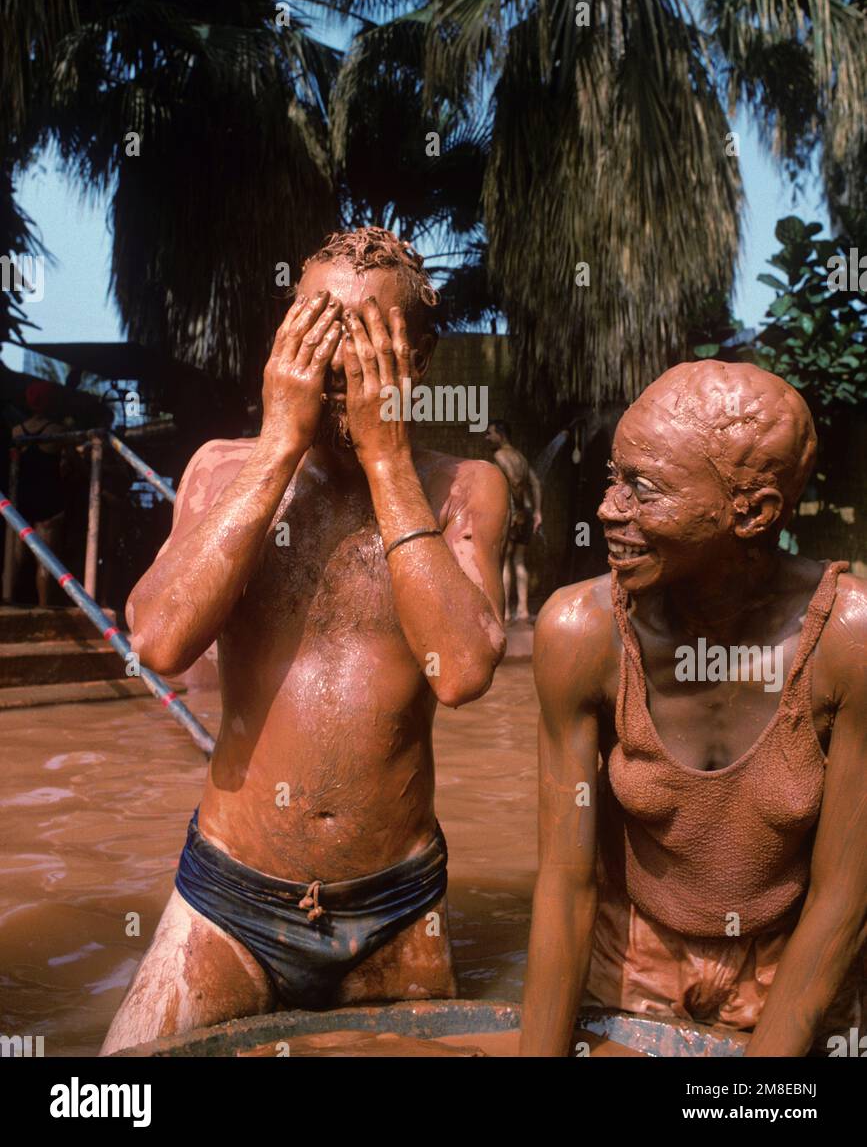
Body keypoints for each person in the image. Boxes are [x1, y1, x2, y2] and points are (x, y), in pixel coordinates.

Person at [101, 227, 509, 1053]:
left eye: (358, 342)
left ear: (416, 360)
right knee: (117, 1088)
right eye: (312, 330)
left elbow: (462, 671)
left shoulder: (465, 487)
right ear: (282, 341)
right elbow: (160, 643)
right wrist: (279, 443)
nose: (330, 364)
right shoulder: (221, 468)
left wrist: (388, 457)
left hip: (393, 905)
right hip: (229, 898)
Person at [520, 360, 867, 1057]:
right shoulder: (580, 633)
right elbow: (564, 884)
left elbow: (843, 900)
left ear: (753, 513)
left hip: (789, 970)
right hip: (630, 969)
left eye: (641, 490)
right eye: (613, 478)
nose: (607, 509)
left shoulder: (845, 641)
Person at [11, 381, 68, 606]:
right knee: (45, 560)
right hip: (49, 501)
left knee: (16, 557)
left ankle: (9, 600)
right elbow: (70, 465)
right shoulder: (58, 432)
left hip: (22, 501)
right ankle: (44, 607)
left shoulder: (17, 432)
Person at [484, 420, 542, 622]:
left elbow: (515, 482)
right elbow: (534, 482)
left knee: (506, 561)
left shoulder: (500, 456)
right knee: (519, 560)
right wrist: (537, 512)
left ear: (501, 434)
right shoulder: (521, 457)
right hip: (526, 511)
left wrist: (515, 511)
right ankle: (524, 610)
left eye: (490, 433)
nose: (487, 437)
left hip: (514, 513)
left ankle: (506, 612)